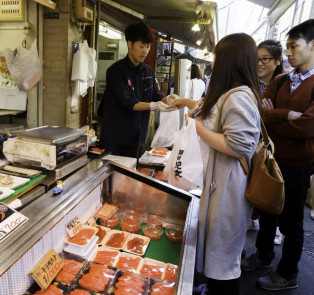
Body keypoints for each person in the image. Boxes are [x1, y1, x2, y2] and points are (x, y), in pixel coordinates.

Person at [170, 33, 262, 295]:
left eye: (217, 56)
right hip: (219, 185)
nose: (213, 62)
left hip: (229, 189)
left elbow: (239, 145)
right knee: (217, 255)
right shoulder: (228, 93)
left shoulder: (239, 96)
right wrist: (183, 104)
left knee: (223, 262)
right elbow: (207, 109)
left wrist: (198, 128)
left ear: (228, 60)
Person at [242, 19, 314, 291]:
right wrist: (285, 115)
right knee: (268, 210)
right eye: (287, 47)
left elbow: (307, 125)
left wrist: (275, 118)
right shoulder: (282, 80)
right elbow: (259, 113)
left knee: (292, 221)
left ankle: (288, 273)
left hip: (298, 164)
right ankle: (263, 255)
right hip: (271, 158)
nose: (289, 53)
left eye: (294, 46)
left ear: (312, 45)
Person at [99, 21, 174, 158]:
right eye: (141, 46)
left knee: (130, 175)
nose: (145, 51)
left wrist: (167, 98)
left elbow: (154, 94)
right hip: (115, 138)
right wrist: (153, 106)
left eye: (148, 46)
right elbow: (128, 101)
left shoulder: (148, 71)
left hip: (136, 136)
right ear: (129, 44)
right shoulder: (116, 71)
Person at [248, 40, 284, 245]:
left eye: (265, 59)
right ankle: (254, 219)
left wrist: (271, 113)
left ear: (278, 61)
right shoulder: (251, 83)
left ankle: (275, 229)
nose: (260, 63)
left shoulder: (284, 85)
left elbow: (274, 118)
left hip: (274, 149)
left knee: (270, 190)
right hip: (254, 146)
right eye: (257, 59)